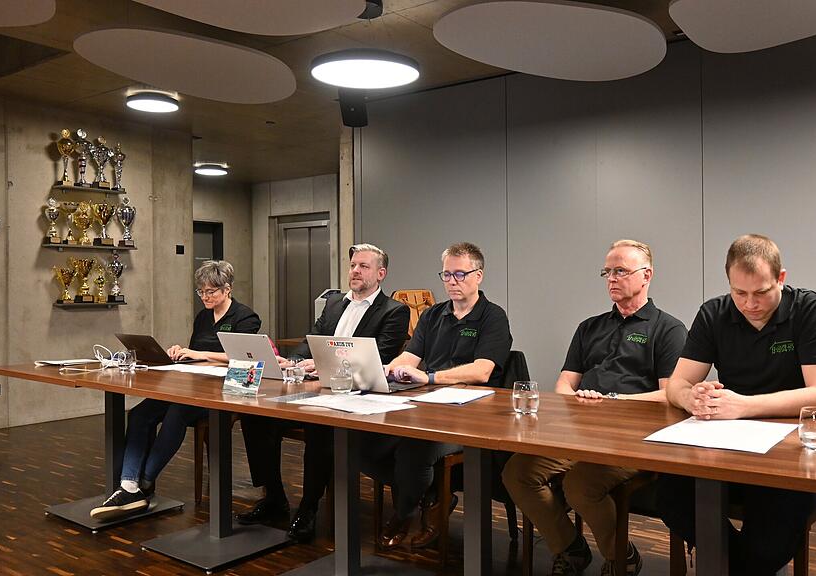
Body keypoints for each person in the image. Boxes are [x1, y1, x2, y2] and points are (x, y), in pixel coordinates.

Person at [659, 234, 816, 575]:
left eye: (761, 292)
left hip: (792, 454)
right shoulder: (714, 313)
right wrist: (690, 397)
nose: (749, 304)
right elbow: (677, 384)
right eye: (739, 293)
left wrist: (743, 405)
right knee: (670, 492)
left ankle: (734, 566)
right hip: (731, 448)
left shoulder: (811, 310)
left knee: (769, 534)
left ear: (781, 278)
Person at [502, 239, 686, 576]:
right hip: (580, 432)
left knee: (579, 485)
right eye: (607, 272)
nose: (612, 278)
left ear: (646, 275)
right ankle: (569, 547)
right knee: (517, 472)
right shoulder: (589, 327)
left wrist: (613, 401)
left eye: (621, 271)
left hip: (634, 439)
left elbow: (670, 396)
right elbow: (564, 384)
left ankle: (621, 556)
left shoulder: (668, 329)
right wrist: (576, 399)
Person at [236, 243, 409, 542]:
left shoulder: (394, 311)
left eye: (363, 266)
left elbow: (378, 357)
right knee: (256, 415)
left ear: (381, 274)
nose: (355, 271)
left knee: (320, 426)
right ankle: (274, 497)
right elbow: (311, 339)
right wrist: (293, 361)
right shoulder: (334, 304)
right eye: (352, 265)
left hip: (358, 396)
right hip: (318, 388)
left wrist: (323, 363)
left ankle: (308, 508)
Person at [366, 241, 513, 550]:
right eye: (446, 274)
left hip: (471, 414)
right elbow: (409, 357)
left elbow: (482, 371)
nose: (452, 281)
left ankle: (403, 513)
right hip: (425, 406)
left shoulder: (493, 317)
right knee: (363, 439)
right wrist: (388, 369)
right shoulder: (433, 315)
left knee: (415, 447)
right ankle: (431, 494)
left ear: (478, 275)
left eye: (460, 274)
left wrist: (430, 377)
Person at [90, 260, 261, 521]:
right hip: (192, 383)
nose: (205, 297)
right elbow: (196, 353)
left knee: (176, 413)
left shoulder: (245, 317)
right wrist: (181, 352)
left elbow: (244, 356)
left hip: (222, 391)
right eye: (201, 292)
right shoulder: (203, 317)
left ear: (227, 289)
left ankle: (146, 479)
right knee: (140, 413)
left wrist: (199, 353)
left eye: (211, 292)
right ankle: (129, 484)